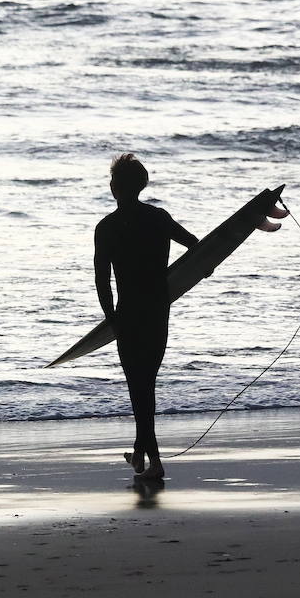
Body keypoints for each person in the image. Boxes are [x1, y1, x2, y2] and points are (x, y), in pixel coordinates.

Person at [95, 153, 200, 481]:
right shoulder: (158, 218)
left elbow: (102, 280)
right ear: (141, 186)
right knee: (146, 385)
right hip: (157, 310)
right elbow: (195, 246)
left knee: (138, 387)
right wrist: (191, 273)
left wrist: (111, 318)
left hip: (127, 315)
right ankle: (140, 454)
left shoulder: (107, 228)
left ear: (115, 188)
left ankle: (154, 462)